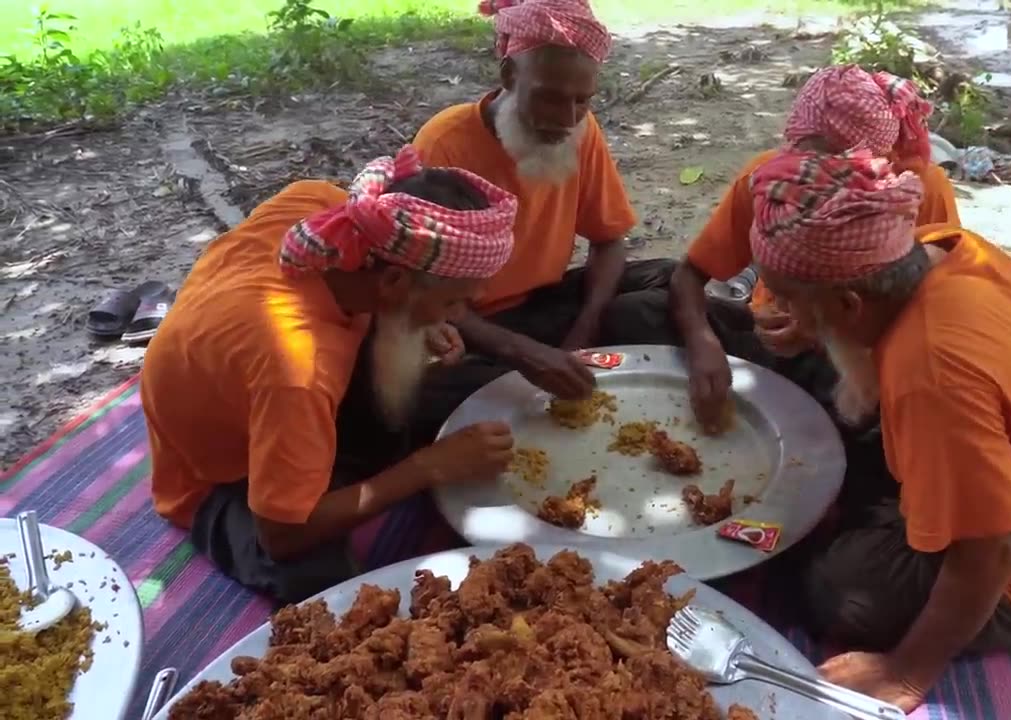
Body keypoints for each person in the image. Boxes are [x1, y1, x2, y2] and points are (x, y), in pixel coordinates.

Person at [746, 149, 1011, 711]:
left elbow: (998, 547)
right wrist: (810, 325)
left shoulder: (932, 374)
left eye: (788, 298)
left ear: (847, 304)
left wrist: (908, 671)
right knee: (830, 386)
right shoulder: (939, 248)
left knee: (836, 591)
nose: (775, 307)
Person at [142, 146, 521, 604]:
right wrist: (429, 466)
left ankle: (342, 457)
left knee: (480, 390)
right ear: (395, 284)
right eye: (452, 303)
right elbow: (282, 533)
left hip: (272, 395)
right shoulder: (298, 368)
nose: (460, 315)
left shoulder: (326, 207)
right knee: (332, 592)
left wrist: (426, 319)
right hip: (220, 476)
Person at [408, 0, 673, 436]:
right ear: (509, 76)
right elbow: (421, 294)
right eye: (549, 98)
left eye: (582, 101)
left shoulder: (580, 130)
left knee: (666, 279)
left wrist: (585, 329)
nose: (565, 119)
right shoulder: (444, 145)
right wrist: (521, 351)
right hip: (470, 324)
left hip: (547, 306)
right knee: (423, 398)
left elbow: (608, 241)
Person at [671, 64, 959, 431]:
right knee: (643, 310)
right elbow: (689, 275)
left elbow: (923, 310)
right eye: (805, 162)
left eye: (838, 166)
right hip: (769, 337)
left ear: (878, 157)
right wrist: (703, 343)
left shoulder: (919, 189)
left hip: (857, 356)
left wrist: (820, 329)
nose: (815, 180)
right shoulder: (772, 180)